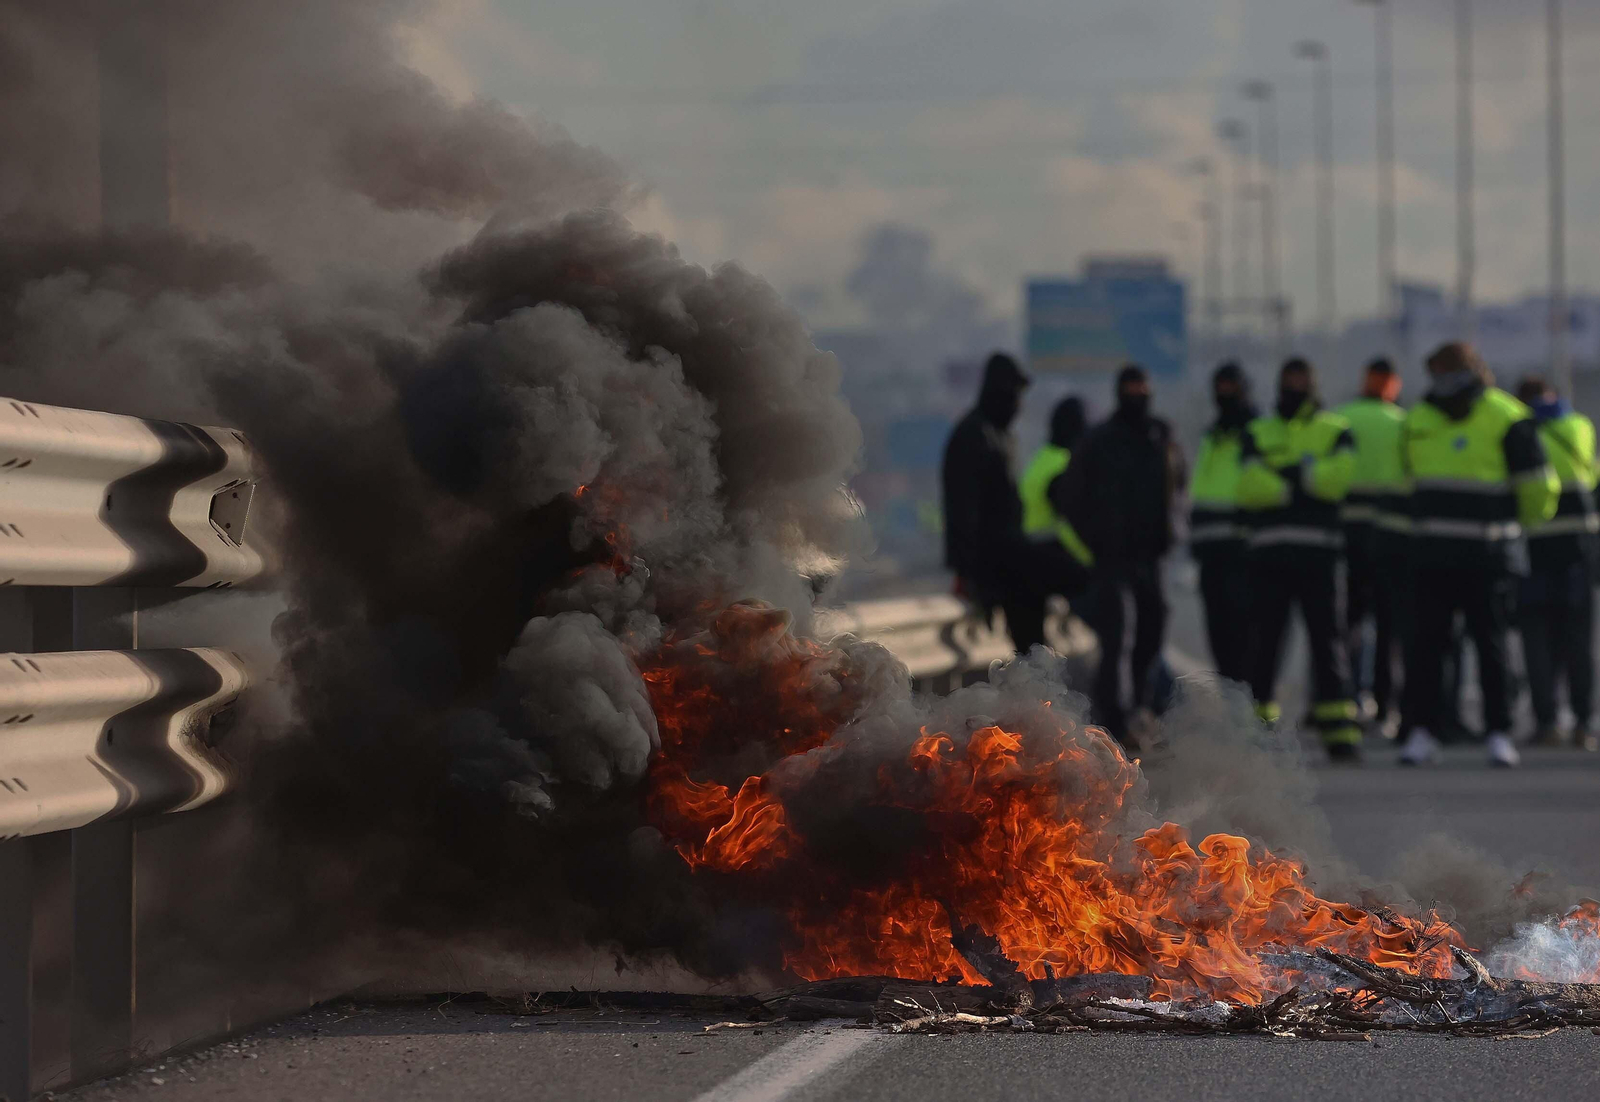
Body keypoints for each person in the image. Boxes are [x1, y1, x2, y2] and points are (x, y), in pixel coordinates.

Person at [1397, 343, 1558, 768]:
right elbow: (1405, 481)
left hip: (1487, 554)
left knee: (1489, 648)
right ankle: (1425, 731)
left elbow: (1539, 488)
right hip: (1434, 554)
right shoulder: (1418, 419)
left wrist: (1512, 529)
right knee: (1430, 648)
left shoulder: (1507, 417)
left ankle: (1497, 732)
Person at [1050, 364, 1186, 746]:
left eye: (1142, 386)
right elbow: (1072, 499)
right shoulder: (1098, 442)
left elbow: (1179, 491)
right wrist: (1099, 541)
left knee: (1152, 632)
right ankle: (1116, 718)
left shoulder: (1162, 439)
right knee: (1119, 637)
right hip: (1113, 558)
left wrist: (1174, 532)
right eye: (1130, 386)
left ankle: (1141, 709)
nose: (1137, 393)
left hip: (1153, 557)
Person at [1237, 358, 1364, 762]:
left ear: (1313, 384)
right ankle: (1258, 732)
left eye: (1300, 381)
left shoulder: (1337, 430)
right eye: (1288, 381)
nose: (1294, 387)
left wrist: (1285, 477)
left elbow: (1338, 481)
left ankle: (1339, 731)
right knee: (1265, 644)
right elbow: (1250, 487)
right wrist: (1307, 478)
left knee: (1328, 643)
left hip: (1320, 557)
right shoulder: (1258, 430)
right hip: (1270, 557)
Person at [941, 352, 1053, 653]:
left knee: (1035, 647)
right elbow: (961, 508)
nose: (1019, 403)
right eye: (1014, 394)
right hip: (992, 565)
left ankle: (1040, 691)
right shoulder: (973, 435)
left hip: (1010, 559)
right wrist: (966, 572)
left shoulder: (1001, 436)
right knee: (1030, 646)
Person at [1514, 375, 1598, 750]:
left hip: (1535, 549)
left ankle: (1547, 721)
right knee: (1579, 640)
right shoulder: (1580, 425)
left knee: (1538, 640)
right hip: (1580, 547)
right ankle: (1583, 722)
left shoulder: (1520, 432)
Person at [1336, 358, 1410, 734]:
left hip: (1346, 536)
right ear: (1393, 384)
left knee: (1346, 623)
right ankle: (1386, 705)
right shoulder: (1403, 424)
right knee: (1388, 626)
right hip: (1391, 538)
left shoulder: (1341, 419)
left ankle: (1345, 698)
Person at [1190, 362, 1256, 685]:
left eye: (1231, 388)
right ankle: (1233, 707)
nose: (1224, 395)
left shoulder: (1255, 432)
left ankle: (1251, 708)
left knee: (1244, 637)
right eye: (1220, 388)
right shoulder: (1212, 435)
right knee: (1219, 638)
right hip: (1210, 552)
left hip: (1241, 552)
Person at [1017, 396, 1094, 602]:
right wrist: (1092, 558)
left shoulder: (1043, 458)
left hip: (1031, 554)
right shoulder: (1064, 466)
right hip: (1051, 554)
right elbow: (1070, 520)